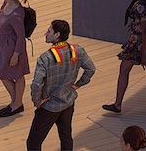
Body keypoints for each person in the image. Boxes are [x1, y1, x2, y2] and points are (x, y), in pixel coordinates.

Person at [25, 19, 95, 151]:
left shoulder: (45, 58)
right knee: (66, 137)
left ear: (57, 35)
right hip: (68, 102)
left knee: (33, 143)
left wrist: (37, 101)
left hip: (49, 106)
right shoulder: (77, 50)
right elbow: (91, 69)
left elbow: (36, 85)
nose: (45, 33)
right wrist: (78, 84)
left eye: (49, 31)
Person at [0, 0, 32, 118]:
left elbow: (20, 36)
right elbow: (3, 14)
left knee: (14, 74)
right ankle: (16, 102)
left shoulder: (16, 15)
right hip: (4, 45)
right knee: (4, 73)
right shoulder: (6, 4)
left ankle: (17, 103)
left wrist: (16, 55)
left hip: (13, 47)